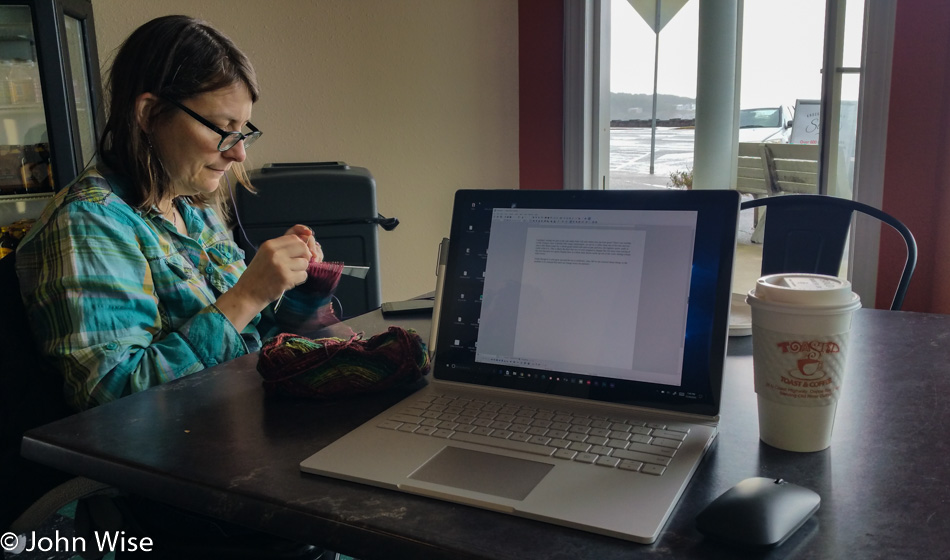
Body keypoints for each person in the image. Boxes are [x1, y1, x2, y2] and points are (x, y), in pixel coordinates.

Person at [16, 15, 338, 412]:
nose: (239, 151)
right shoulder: (90, 222)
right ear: (150, 114)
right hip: (165, 463)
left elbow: (251, 342)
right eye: (223, 128)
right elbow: (113, 400)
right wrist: (247, 295)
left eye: (243, 131)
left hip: (234, 426)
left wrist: (298, 288)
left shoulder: (191, 206)